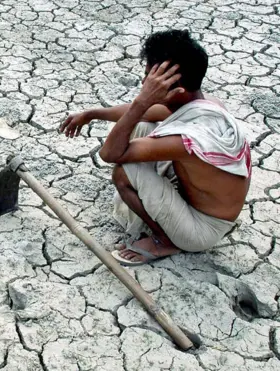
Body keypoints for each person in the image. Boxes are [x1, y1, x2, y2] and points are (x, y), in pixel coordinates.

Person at [59, 29, 251, 266]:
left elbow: (109, 154)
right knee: (144, 125)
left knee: (124, 172)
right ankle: (163, 220)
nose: (144, 83)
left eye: (150, 78)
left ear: (175, 86)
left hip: (201, 230)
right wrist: (91, 114)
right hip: (199, 202)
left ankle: (164, 241)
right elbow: (146, 114)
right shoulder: (201, 103)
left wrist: (143, 99)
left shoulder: (188, 140)